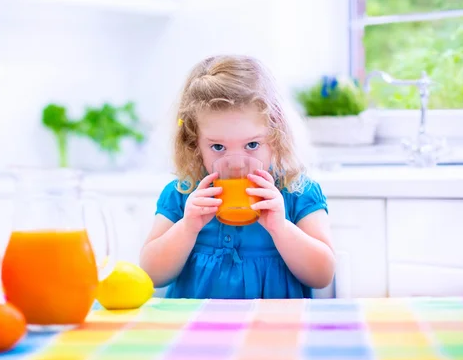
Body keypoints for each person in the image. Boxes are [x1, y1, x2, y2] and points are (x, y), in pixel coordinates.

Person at [139, 55, 335, 299]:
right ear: (194, 143)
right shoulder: (183, 194)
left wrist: (281, 229)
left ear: (276, 135)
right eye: (218, 147)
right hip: (196, 328)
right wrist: (187, 227)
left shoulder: (297, 191)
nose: (236, 162)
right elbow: (151, 275)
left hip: (276, 328)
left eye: (252, 144)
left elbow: (322, 276)